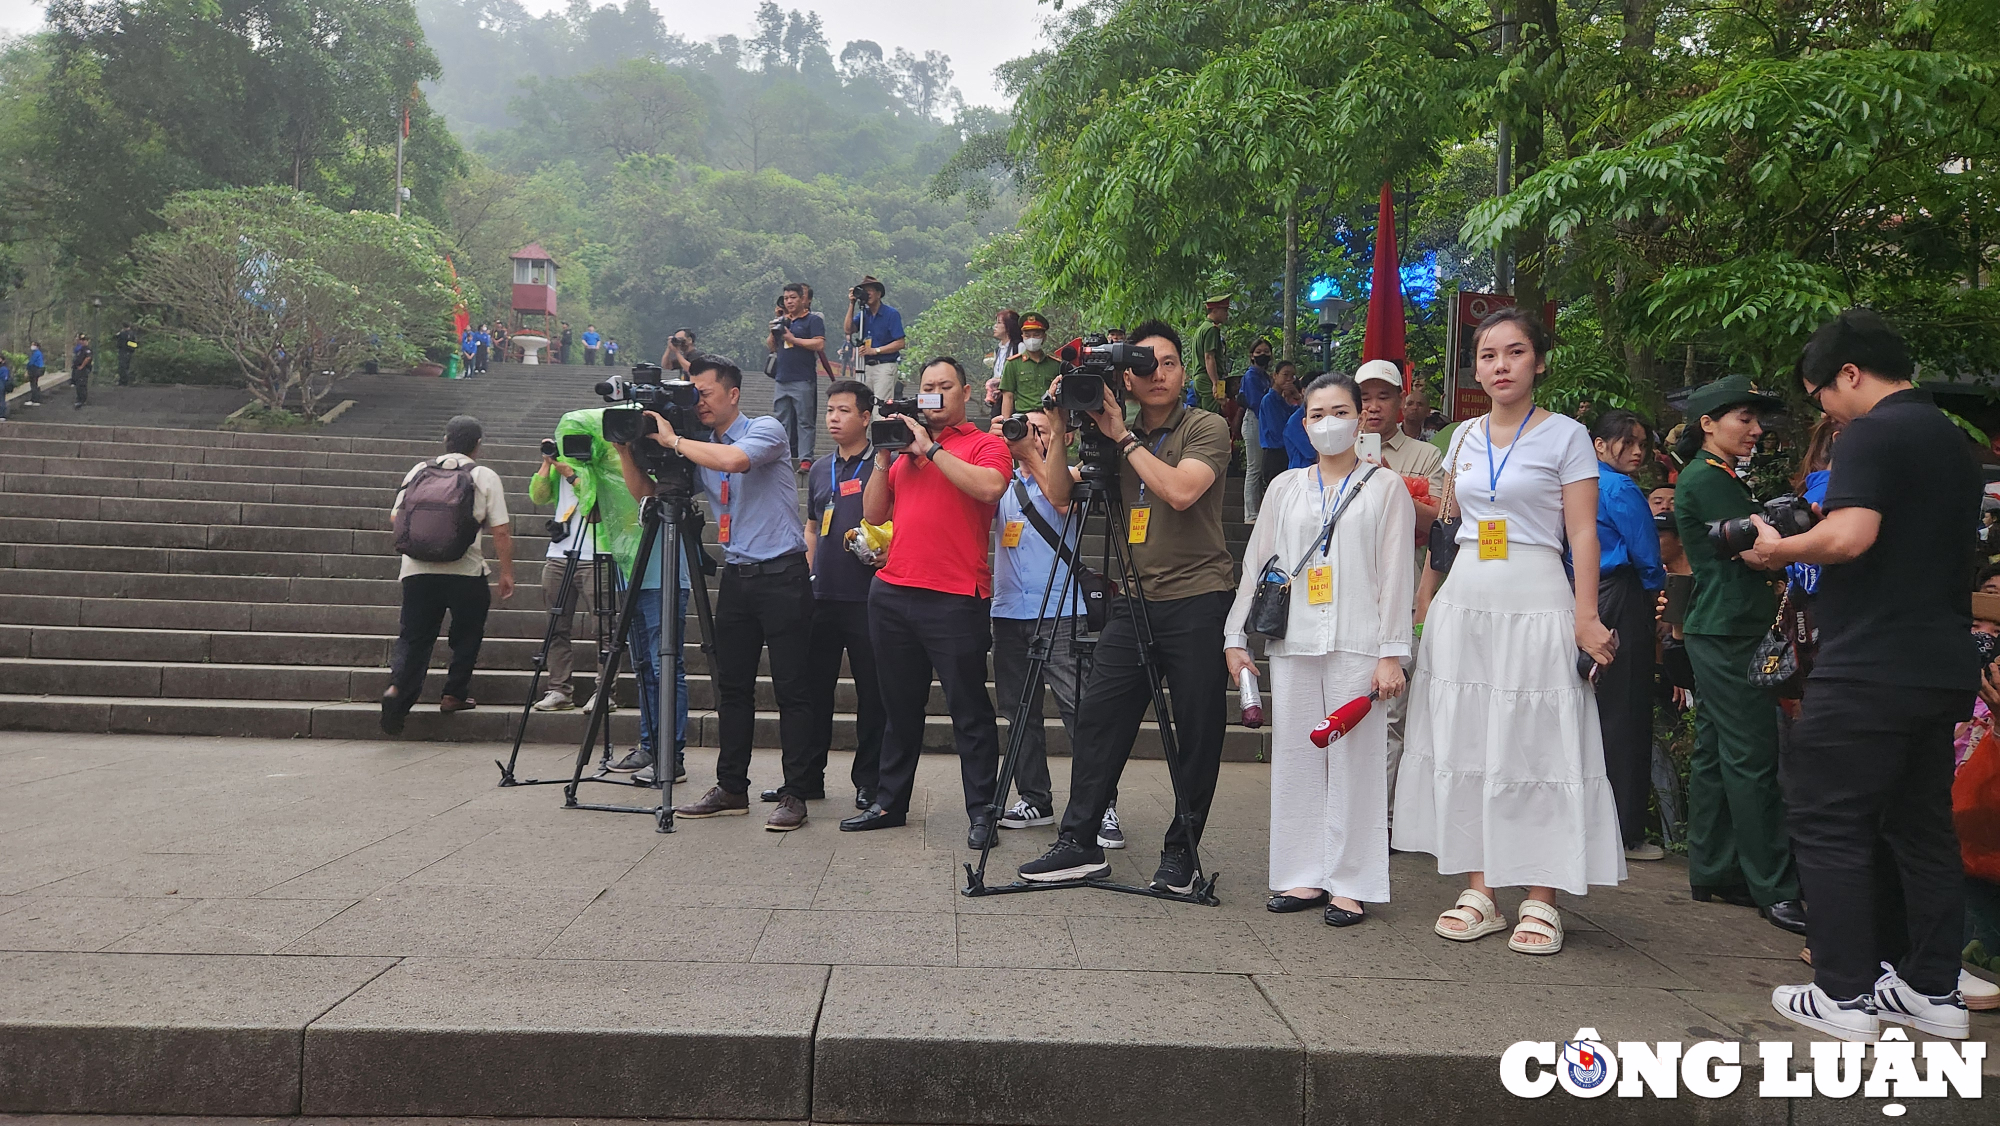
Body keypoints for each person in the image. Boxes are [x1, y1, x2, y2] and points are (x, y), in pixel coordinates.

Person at [1744, 309, 1981, 1042]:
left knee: (1828, 820)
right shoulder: (1954, 440)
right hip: (1938, 660)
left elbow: (1851, 536)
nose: (1825, 408)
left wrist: (1779, 549)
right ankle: (1930, 990)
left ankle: (1843, 994)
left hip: (1869, 660)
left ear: (1850, 373)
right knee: (1922, 827)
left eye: (1822, 393)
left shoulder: (1873, 432)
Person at [1394, 308, 1625, 956]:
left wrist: (1586, 616)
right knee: (1468, 740)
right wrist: (1425, 596)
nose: (1500, 365)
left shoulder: (1567, 436)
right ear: (1476, 367)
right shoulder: (1462, 437)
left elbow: (1581, 532)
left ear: (1538, 361)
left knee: (1536, 741)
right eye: (1488, 354)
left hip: (1535, 594)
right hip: (1466, 597)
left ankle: (1543, 895)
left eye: (1514, 352)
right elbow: (1446, 526)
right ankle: (1480, 887)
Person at [1017, 320, 1235, 894]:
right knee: (1098, 720)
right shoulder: (1114, 434)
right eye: (1145, 366)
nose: (1157, 374)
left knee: (1198, 730)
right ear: (1127, 380)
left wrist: (1124, 439)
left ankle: (1181, 853)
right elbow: (1062, 496)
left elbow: (1181, 492)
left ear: (1184, 371)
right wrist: (1062, 430)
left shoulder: (1205, 426)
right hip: (1133, 600)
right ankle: (1080, 842)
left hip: (1197, 598)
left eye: (1168, 363)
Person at [1226, 371, 1415, 926]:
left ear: (1360, 419)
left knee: (1356, 762)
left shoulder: (1386, 488)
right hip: (1296, 640)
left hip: (1359, 641)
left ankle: (1350, 882)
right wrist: (1236, 635)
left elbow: (1395, 575)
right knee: (1297, 759)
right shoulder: (1286, 487)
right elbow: (1257, 567)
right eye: (1316, 414)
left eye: (1339, 412)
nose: (1328, 423)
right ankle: (1300, 875)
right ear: (1302, 423)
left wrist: (1391, 653)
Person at [618, 357, 817, 831]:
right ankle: (732, 788)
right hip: (738, 578)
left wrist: (674, 440)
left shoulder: (765, 428)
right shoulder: (698, 445)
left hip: (784, 575)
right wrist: (628, 449)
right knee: (732, 689)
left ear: (732, 394)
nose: (698, 402)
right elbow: (648, 493)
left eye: (705, 393)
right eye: (693, 393)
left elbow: (736, 461)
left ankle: (796, 793)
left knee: (793, 689)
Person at [841, 357, 1012, 845]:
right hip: (892, 591)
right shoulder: (901, 452)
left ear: (965, 392)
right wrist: (883, 451)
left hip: (956, 596)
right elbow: (873, 513)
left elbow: (991, 487)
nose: (934, 394)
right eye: (927, 387)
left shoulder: (985, 444)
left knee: (969, 709)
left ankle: (982, 811)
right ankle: (889, 801)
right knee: (898, 707)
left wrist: (931, 449)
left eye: (944, 386)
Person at [1673, 375, 1808, 935]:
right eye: (1743, 420)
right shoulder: (1710, 480)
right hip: (1732, 628)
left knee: (1715, 749)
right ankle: (1774, 888)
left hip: (1721, 625)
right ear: (1708, 424)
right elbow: (1757, 554)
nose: (1755, 430)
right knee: (1751, 753)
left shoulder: (1716, 476)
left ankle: (1715, 867)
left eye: (1757, 420)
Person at [988, 405, 1112, 842]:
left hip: (1062, 609)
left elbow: (1060, 500)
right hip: (1007, 611)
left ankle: (1101, 805)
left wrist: (1033, 455)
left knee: (1080, 709)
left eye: (1038, 429)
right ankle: (1034, 798)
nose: (1027, 434)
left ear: (1058, 438)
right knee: (1019, 712)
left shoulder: (1071, 477)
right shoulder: (998, 481)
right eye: (1021, 428)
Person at [1354, 359, 1446, 819]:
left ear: (1401, 401)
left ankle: (1382, 817)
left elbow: (1441, 524)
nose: (1373, 407)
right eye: (1365, 397)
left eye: (1383, 396)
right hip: (1345, 597)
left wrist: (1389, 484)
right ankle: (1344, 809)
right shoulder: (1333, 449)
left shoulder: (1425, 456)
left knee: (1391, 715)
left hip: (1403, 594)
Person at [382, 415, 515, 734]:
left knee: (414, 637)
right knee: (466, 634)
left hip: (417, 571)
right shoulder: (483, 475)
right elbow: (500, 530)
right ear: (478, 445)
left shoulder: (419, 470)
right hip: (465, 571)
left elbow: (394, 516)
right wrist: (506, 572)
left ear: (445, 440)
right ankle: (454, 693)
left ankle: (398, 690)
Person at [795, 380, 886, 810]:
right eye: (830, 410)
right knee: (813, 691)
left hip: (869, 596)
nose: (833, 418)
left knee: (873, 693)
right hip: (823, 596)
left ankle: (869, 781)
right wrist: (808, 575)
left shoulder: (883, 464)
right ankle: (806, 778)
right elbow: (813, 525)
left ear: (866, 417)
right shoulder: (818, 468)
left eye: (844, 410)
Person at [1591, 409, 1667, 861]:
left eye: (1642, 444)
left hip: (1585, 594)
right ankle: (1623, 829)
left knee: (1596, 706)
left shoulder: (1578, 482)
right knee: (1627, 706)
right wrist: (1656, 598)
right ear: (1601, 444)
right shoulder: (1618, 487)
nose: (1637, 452)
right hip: (1623, 594)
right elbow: (1646, 555)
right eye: (1627, 442)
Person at [527, 447, 601, 712]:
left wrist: (572, 475)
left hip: (597, 553)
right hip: (559, 553)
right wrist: (547, 464)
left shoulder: (604, 463)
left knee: (603, 627)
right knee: (556, 625)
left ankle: (605, 691)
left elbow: (595, 502)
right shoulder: (560, 465)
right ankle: (559, 689)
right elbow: (538, 495)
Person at [769, 282, 826, 467]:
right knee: (781, 420)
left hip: (803, 378)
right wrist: (775, 327)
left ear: (803, 299)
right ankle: (782, 456)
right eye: (786, 298)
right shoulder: (783, 320)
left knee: (804, 420)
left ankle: (805, 459)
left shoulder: (813, 320)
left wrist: (794, 339)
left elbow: (819, 344)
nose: (789, 302)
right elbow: (772, 346)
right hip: (782, 377)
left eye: (793, 297)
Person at [845, 276, 905, 403]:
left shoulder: (891, 314)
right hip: (865, 367)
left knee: (880, 407)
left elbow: (900, 343)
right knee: (863, 406)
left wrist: (875, 350)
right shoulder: (863, 315)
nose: (867, 294)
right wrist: (852, 303)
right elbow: (848, 329)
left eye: (870, 290)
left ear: (879, 294)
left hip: (884, 366)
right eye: (864, 290)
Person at [998, 312, 1060, 419]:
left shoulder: (1055, 365)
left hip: (1050, 418)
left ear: (1044, 337)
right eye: (1027, 335)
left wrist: (1068, 429)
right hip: (1024, 419)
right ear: (1022, 337)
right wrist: (1006, 424)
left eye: (1036, 335)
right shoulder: (1013, 364)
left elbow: (1063, 397)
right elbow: (1008, 397)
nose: (1032, 339)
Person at [1238, 339, 1273, 523]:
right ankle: (1250, 514)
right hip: (1254, 421)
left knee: (1259, 468)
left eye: (1266, 351)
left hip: (1263, 422)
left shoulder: (1265, 376)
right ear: (1252, 355)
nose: (1263, 355)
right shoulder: (1251, 376)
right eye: (1259, 351)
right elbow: (1255, 402)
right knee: (1254, 468)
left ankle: (1257, 510)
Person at [1258, 360, 1300, 492]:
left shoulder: (1282, 400)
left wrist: (1297, 397)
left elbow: (1297, 412)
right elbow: (1278, 429)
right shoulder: (1269, 400)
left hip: (1283, 452)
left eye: (1292, 376)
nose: (1289, 379)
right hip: (1275, 453)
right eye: (1285, 374)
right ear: (1275, 376)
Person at [1188, 294, 1230, 416]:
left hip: (1201, 378)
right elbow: (1209, 357)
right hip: (1208, 378)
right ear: (1215, 311)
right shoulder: (1212, 329)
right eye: (1224, 310)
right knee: (1213, 416)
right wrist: (1215, 383)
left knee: (1203, 414)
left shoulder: (1201, 328)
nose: (1227, 314)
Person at [987, 309, 1022, 412]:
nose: (995, 326)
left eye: (999, 323)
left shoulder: (1019, 347)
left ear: (1009, 326)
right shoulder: (998, 350)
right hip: (999, 399)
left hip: (1014, 399)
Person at [70, 334, 92, 409]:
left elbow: (88, 358)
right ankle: (79, 398)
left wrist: (82, 366)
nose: (82, 342)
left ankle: (82, 400)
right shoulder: (80, 349)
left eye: (84, 340)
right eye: (81, 340)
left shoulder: (87, 349)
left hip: (83, 369)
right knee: (78, 384)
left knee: (82, 384)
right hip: (77, 369)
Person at [25, 341, 43, 406]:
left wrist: (27, 369)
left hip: (34, 369)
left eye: (33, 345)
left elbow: (31, 362)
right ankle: (35, 399)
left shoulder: (36, 353)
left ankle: (35, 399)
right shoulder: (38, 353)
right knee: (34, 384)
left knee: (33, 384)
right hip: (37, 369)